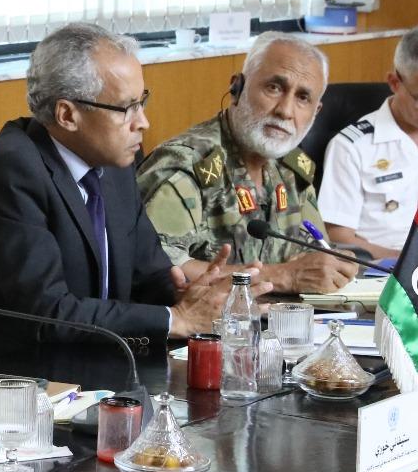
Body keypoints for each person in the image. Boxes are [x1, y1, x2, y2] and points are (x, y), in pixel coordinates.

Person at [0, 23, 252, 366]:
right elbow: (47, 312)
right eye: (127, 108)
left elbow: (149, 272)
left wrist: (186, 294)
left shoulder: (114, 162)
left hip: (89, 363)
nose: (142, 122)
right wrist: (175, 319)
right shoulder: (13, 170)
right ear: (68, 115)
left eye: (142, 102)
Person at [138, 32, 358, 293]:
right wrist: (282, 277)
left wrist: (332, 267)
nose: (285, 111)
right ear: (237, 88)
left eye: (303, 98)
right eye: (274, 88)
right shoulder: (187, 167)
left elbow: (314, 252)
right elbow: (156, 270)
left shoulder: (292, 168)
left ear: (316, 112)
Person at [318, 26, 418, 259]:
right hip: (385, 270)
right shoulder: (351, 147)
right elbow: (339, 236)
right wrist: (406, 261)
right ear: (394, 82)